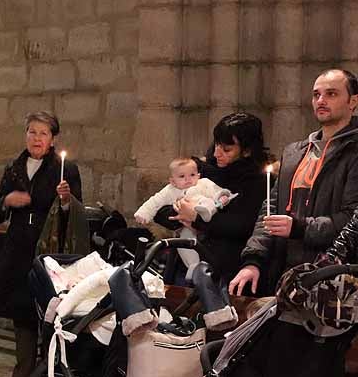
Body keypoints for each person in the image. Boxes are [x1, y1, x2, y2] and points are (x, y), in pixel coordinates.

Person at [230, 70, 358, 296]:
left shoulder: (353, 152)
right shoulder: (294, 152)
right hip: (283, 275)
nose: (321, 100)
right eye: (316, 94)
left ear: (353, 102)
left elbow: (352, 219)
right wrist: (253, 260)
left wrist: (300, 227)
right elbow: (269, 212)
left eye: (331, 94)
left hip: (331, 279)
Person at [0, 111, 81, 377]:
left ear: (52, 139)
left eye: (43, 133)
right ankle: (22, 375)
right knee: (22, 313)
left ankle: (48, 375)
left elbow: (75, 213)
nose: (36, 138)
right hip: (18, 247)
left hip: (48, 249)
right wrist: (8, 199)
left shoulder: (65, 169)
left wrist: (66, 201)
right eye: (31, 132)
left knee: (50, 314)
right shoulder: (14, 167)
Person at [153, 113, 271, 283]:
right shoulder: (202, 169)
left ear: (247, 151)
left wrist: (196, 219)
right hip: (184, 263)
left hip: (224, 270)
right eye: (216, 145)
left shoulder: (257, 181)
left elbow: (243, 226)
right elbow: (161, 208)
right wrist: (180, 212)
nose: (217, 153)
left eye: (227, 149)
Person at [135, 157, 237, 270]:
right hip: (185, 225)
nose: (188, 179)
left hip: (207, 215)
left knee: (206, 201)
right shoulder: (170, 190)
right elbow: (155, 202)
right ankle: (193, 267)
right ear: (173, 181)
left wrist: (223, 196)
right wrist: (143, 213)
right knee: (184, 242)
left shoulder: (203, 183)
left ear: (198, 175)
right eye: (182, 176)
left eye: (192, 175)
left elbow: (218, 191)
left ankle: (205, 212)